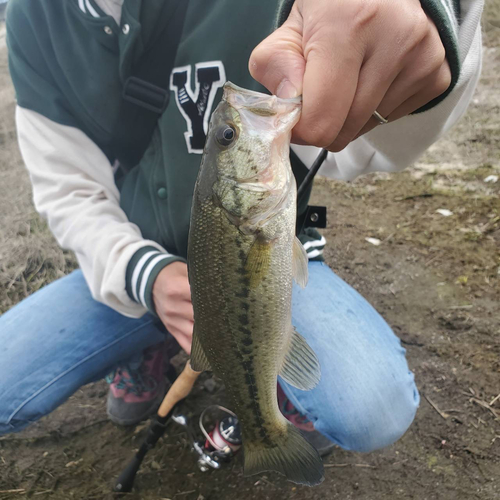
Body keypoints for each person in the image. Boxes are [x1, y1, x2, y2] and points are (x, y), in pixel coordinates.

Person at [0, 0, 482, 458]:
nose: (231, 121)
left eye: (224, 137)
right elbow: (69, 194)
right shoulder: (31, 20)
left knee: (373, 408)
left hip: (262, 273)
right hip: (128, 262)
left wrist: (427, 24)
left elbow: (361, 146)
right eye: (228, 136)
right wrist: (144, 276)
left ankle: (258, 370)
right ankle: (153, 337)